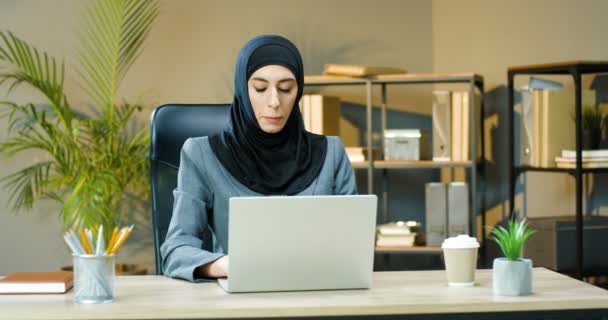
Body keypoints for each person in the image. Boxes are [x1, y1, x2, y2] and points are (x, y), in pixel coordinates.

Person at [160, 34, 357, 282]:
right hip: (238, 298)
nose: (274, 101)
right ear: (243, 89)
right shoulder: (200, 154)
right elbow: (175, 251)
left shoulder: (332, 153)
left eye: (286, 89)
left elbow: (354, 245)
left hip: (318, 292)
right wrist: (225, 265)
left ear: (298, 91)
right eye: (260, 88)